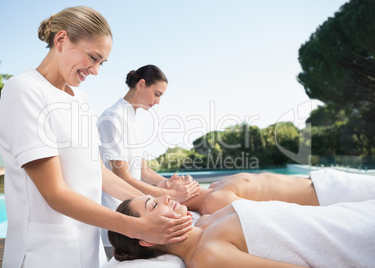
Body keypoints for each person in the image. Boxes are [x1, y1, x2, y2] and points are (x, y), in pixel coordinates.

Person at [0, 6, 192, 268]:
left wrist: (156, 201)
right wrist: (136, 227)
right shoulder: (24, 91)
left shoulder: (81, 99)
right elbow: (54, 192)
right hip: (43, 254)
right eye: (92, 57)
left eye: (101, 62)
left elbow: (97, 172)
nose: (96, 70)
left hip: (89, 250)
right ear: (62, 40)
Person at [108, 193, 375, 268]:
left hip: (352, 215)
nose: (165, 198)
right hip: (357, 238)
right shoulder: (208, 256)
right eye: (153, 204)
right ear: (145, 238)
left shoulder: (205, 223)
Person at [97, 65, 200, 253]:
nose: (158, 101)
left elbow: (143, 170)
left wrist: (170, 184)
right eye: (157, 94)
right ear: (142, 84)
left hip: (139, 208)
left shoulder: (132, 118)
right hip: (119, 212)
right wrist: (167, 197)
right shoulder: (112, 118)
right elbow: (123, 177)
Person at [158, 168, 375, 214]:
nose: (175, 176)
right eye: (169, 183)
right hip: (328, 196)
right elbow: (269, 217)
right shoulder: (214, 203)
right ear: (177, 198)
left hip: (325, 180)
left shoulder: (214, 188)